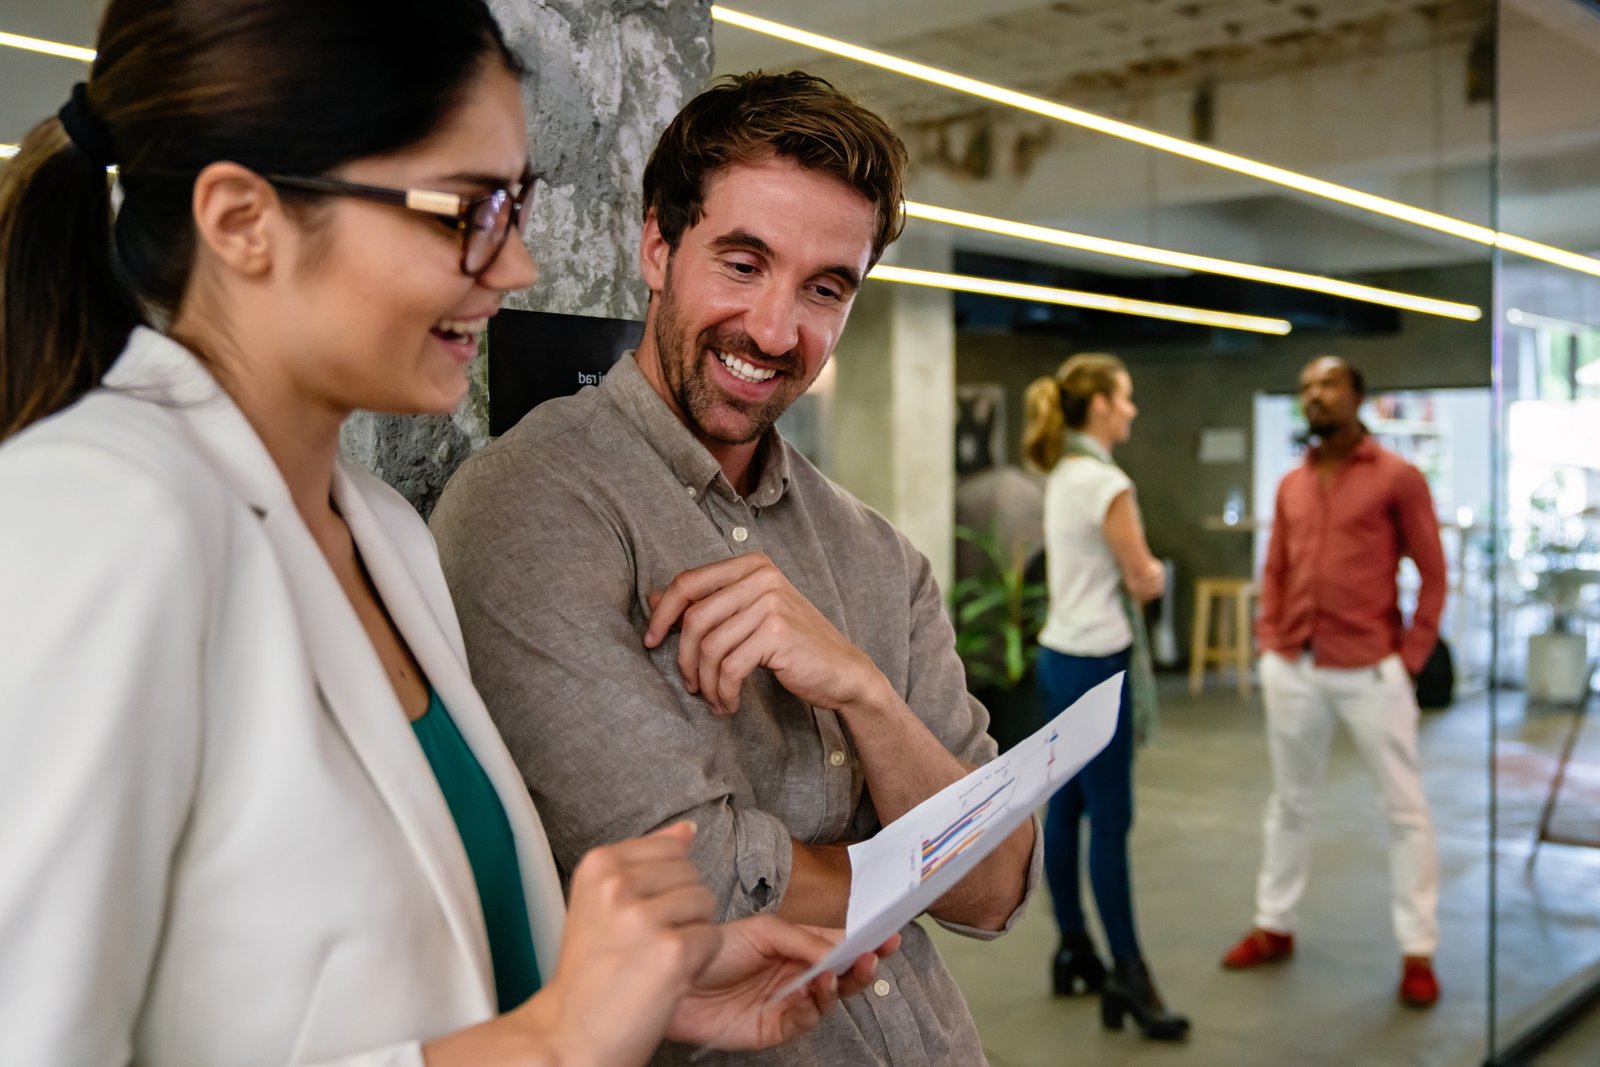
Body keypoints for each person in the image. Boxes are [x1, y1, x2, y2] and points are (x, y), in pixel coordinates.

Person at [0, 4, 897, 1065]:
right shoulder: (97, 517)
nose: (515, 267)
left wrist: (620, 998)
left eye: (515, 207)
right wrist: (555, 1041)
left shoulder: (384, 535)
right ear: (243, 221)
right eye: (465, 211)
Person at [430, 71, 1040, 1065]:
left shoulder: (875, 553)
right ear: (658, 247)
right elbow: (696, 875)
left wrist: (864, 691)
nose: (773, 329)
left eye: (824, 288)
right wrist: (921, 857)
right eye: (744, 263)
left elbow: (996, 885)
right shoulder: (535, 505)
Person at [1220, 355, 1446, 1009]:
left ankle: (1418, 948)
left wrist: (1410, 658)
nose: (1314, 395)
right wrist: (1268, 641)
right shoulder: (1292, 483)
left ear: (1357, 395)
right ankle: (1274, 924)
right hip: (1294, 665)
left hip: (1371, 667)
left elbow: (1434, 573)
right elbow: (1276, 568)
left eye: (1327, 384)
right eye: (1305, 387)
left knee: (1404, 810)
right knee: (1289, 802)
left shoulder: (1398, 477)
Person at [1020, 354, 1190, 1041]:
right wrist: (1152, 576)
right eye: (1125, 398)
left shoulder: (1062, 472)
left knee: (1067, 808)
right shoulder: (1108, 483)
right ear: (1099, 406)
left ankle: (1074, 947)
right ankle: (1128, 970)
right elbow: (1144, 576)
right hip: (1099, 664)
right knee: (1111, 819)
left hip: (1059, 656)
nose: (1132, 410)